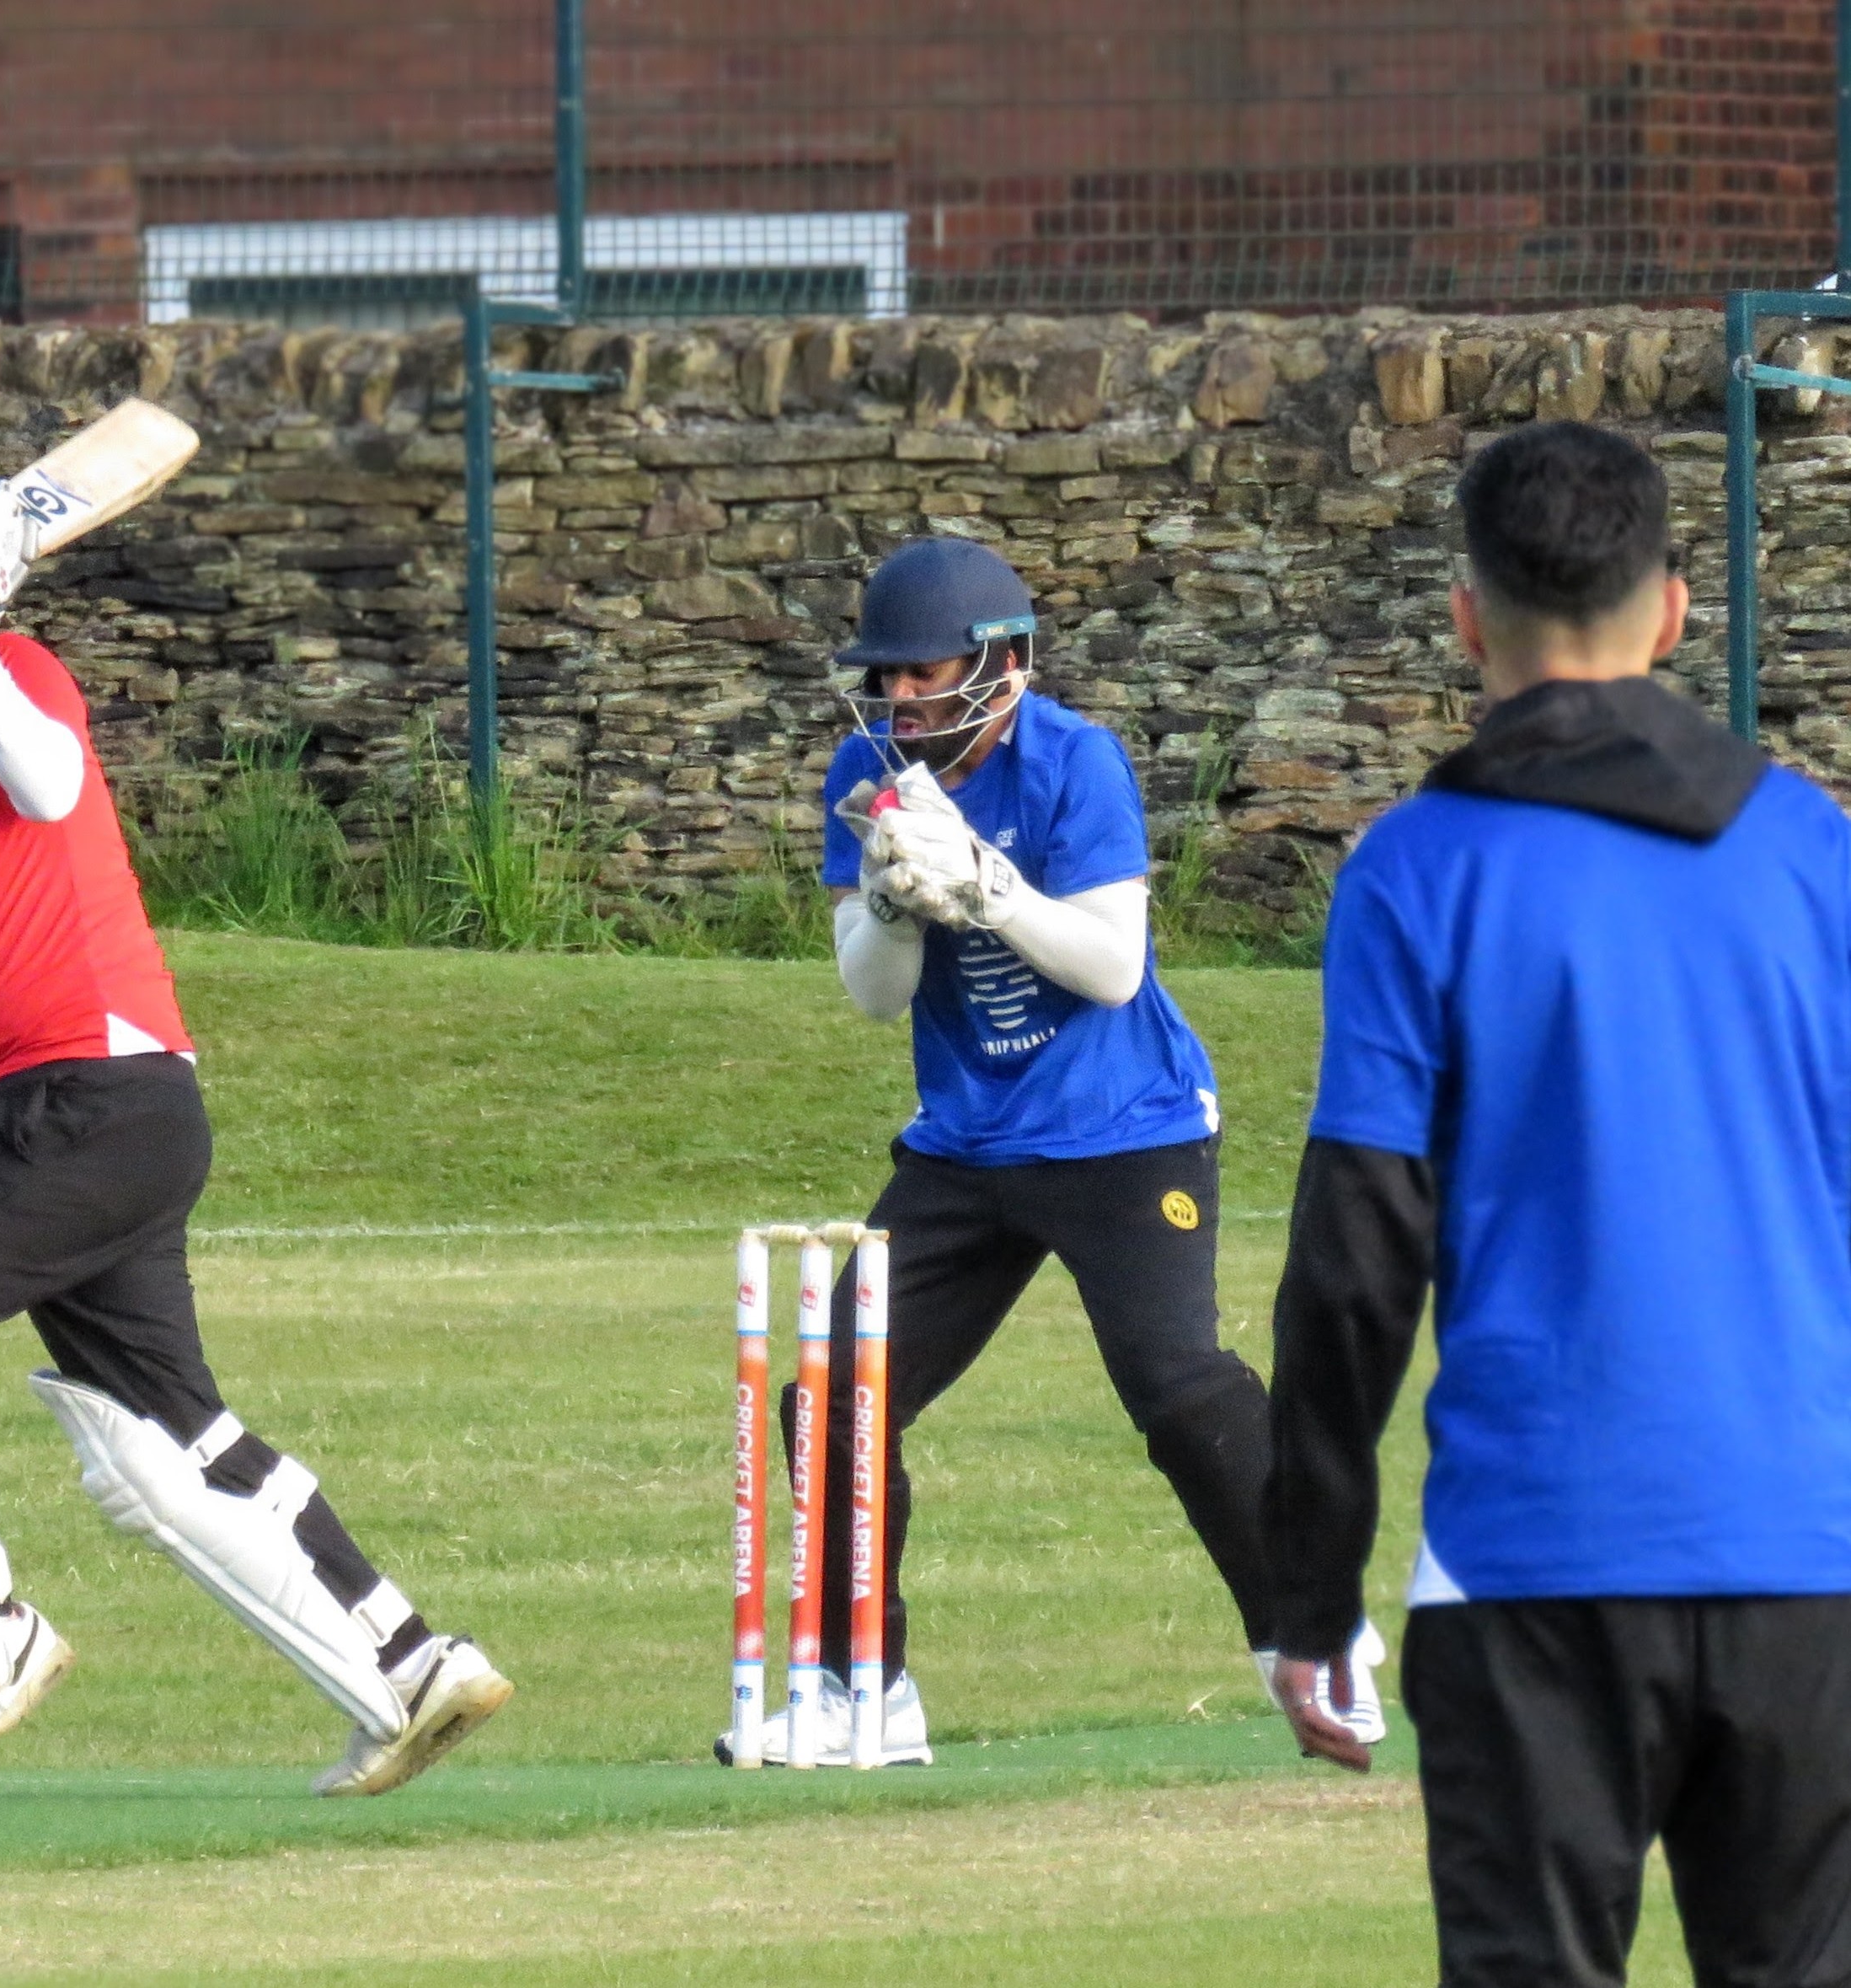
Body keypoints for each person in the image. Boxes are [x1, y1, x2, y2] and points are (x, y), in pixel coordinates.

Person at [0, 487, 509, 1796]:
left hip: (89, 1093)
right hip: (71, 1119)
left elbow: (51, 779)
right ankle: (407, 1666)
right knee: (161, 1445)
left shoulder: (8, 677)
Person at [1264, 421, 1851, 1983]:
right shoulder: (1813, 851)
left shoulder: (1414, 870)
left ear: (1465, 614)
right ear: (1672, 609)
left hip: (1534, 1563)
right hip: (1807, 1554)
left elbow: (1353, 1260)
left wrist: (1307, 1594)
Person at [716, 535, 1381, 1766]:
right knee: (832, 1401)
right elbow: (872, 995)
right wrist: (895, 905)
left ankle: (1314, 1632)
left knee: (1179, 1391)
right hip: (963, 1144)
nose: (902, 702)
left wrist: (982, 884)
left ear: (1001, 663)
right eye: (888, 679)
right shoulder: (861, 776)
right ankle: (868, 1690)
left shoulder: (1076, 761)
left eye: (924, 676)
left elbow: (1111, 966)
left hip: (1125, 1131)